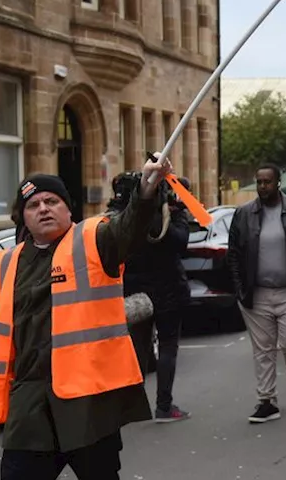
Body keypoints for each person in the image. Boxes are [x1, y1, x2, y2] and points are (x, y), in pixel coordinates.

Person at [0, 157, 170, 480]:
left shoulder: (94, 240)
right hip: (30, 403)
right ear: (23, 217)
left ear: (68, 209)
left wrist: (146, 188)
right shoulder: (7, 262)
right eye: (33, 205)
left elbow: (130, 226)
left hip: (87, 403)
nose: (43, 208)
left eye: (52, 201)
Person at [226, 164, 286, 424]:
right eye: (259, 182)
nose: (263, 186)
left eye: (267, 181)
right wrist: (240, 289)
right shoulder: (244, 214)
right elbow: (233, 254)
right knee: (263, 349)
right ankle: (267, 400)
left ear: (278, 182)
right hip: (257, 294)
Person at [108, 172, 192, 424]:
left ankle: (133, 407)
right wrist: (176, 213)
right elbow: (181, 241)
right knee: (167, 347)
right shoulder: (163, 215)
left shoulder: (122, 219)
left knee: (137, 349)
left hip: (135, 292)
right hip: (168, 289)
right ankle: (164, 406)